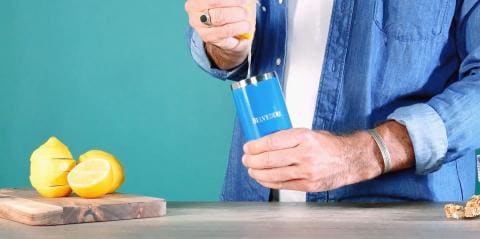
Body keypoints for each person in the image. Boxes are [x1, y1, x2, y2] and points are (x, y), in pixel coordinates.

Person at [185, 0, 480, 202]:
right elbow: (224, 50)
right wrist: (224, 43)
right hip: (253, 209)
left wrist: (362, 154)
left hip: (402, 218)